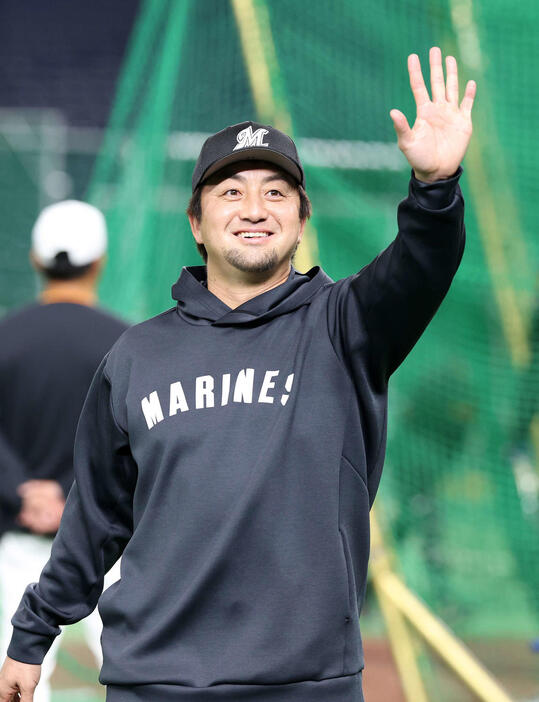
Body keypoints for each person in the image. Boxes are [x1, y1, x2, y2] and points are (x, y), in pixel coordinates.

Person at [0, 47, 475, 702]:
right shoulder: (136, 355)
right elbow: (96, 518)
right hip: (155, 682)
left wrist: (435, 188)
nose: (254, 207)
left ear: (302, 220)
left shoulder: (347, 326)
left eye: (275, 193)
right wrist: (32, 634)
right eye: (230, 192)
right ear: (196, 223)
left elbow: (422, 264)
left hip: (305, 686)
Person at [0, 200, 129, 702]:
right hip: (110, 543)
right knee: (138, 674)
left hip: (15, 535)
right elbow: (132, 442)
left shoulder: (5, 336)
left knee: (14, 681)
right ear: (100, 262)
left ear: (36, 259)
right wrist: (71, 495)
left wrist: (22, 490)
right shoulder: (128, 343)